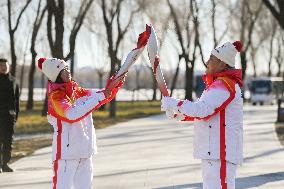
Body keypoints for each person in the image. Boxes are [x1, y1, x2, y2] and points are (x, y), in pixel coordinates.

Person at [161, 41, 243, 189]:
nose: (207, 62)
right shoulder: (218, 85)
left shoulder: (225, 85)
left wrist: (175, 103)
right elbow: (205, 113)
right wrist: (179, 114)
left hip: (220, 154)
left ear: (222, 63)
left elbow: (202, 109)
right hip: (213, 153)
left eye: (211, 59)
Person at [37, 58, 120, 189]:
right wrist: (100, 96)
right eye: (64, 70)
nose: (68, 72)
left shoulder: (77, 91)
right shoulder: (56, 97)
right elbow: (72, 114)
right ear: (56, 74)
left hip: (85, 151)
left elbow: (102, 95)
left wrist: (116, 82)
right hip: (66, 155)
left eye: (68, 68)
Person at [0, 58, 19, 173]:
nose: (3, 67)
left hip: (9, 117)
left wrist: (16, 115)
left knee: (8, 141)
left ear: (8, 66)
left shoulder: (13, 81)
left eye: (5, 65)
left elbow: (16, 100)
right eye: (1, 65)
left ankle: (5, 164)